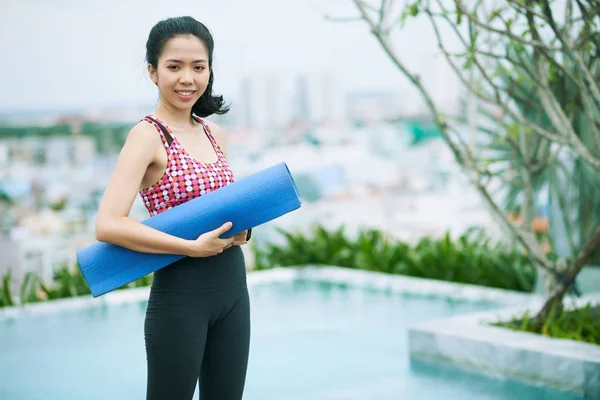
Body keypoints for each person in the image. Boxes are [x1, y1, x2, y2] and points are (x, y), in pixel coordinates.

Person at [94, 16, 251, 400]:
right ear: (153, 71)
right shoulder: (146, 136)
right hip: (181, 296)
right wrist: (190, 248)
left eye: (198, 67)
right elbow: (108, 224)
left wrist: (244, 230)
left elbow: (225, 205)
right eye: (174, 67)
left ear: (209, 70)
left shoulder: (214, 132)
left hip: (233, 290)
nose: (187, 78)